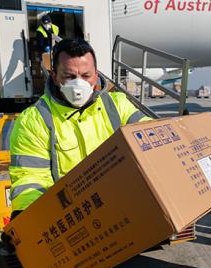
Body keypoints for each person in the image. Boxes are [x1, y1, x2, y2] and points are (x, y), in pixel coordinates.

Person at [9, 38, 149, 218]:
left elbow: (151, 139)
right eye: (69, 76)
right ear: (54, 76)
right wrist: (28, 215)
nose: (78, 85)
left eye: (85, 76)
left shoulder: (118, 105)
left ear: (96, 75)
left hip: (123, 207)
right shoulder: (34, 120)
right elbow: (30, 177)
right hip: (75, 218)